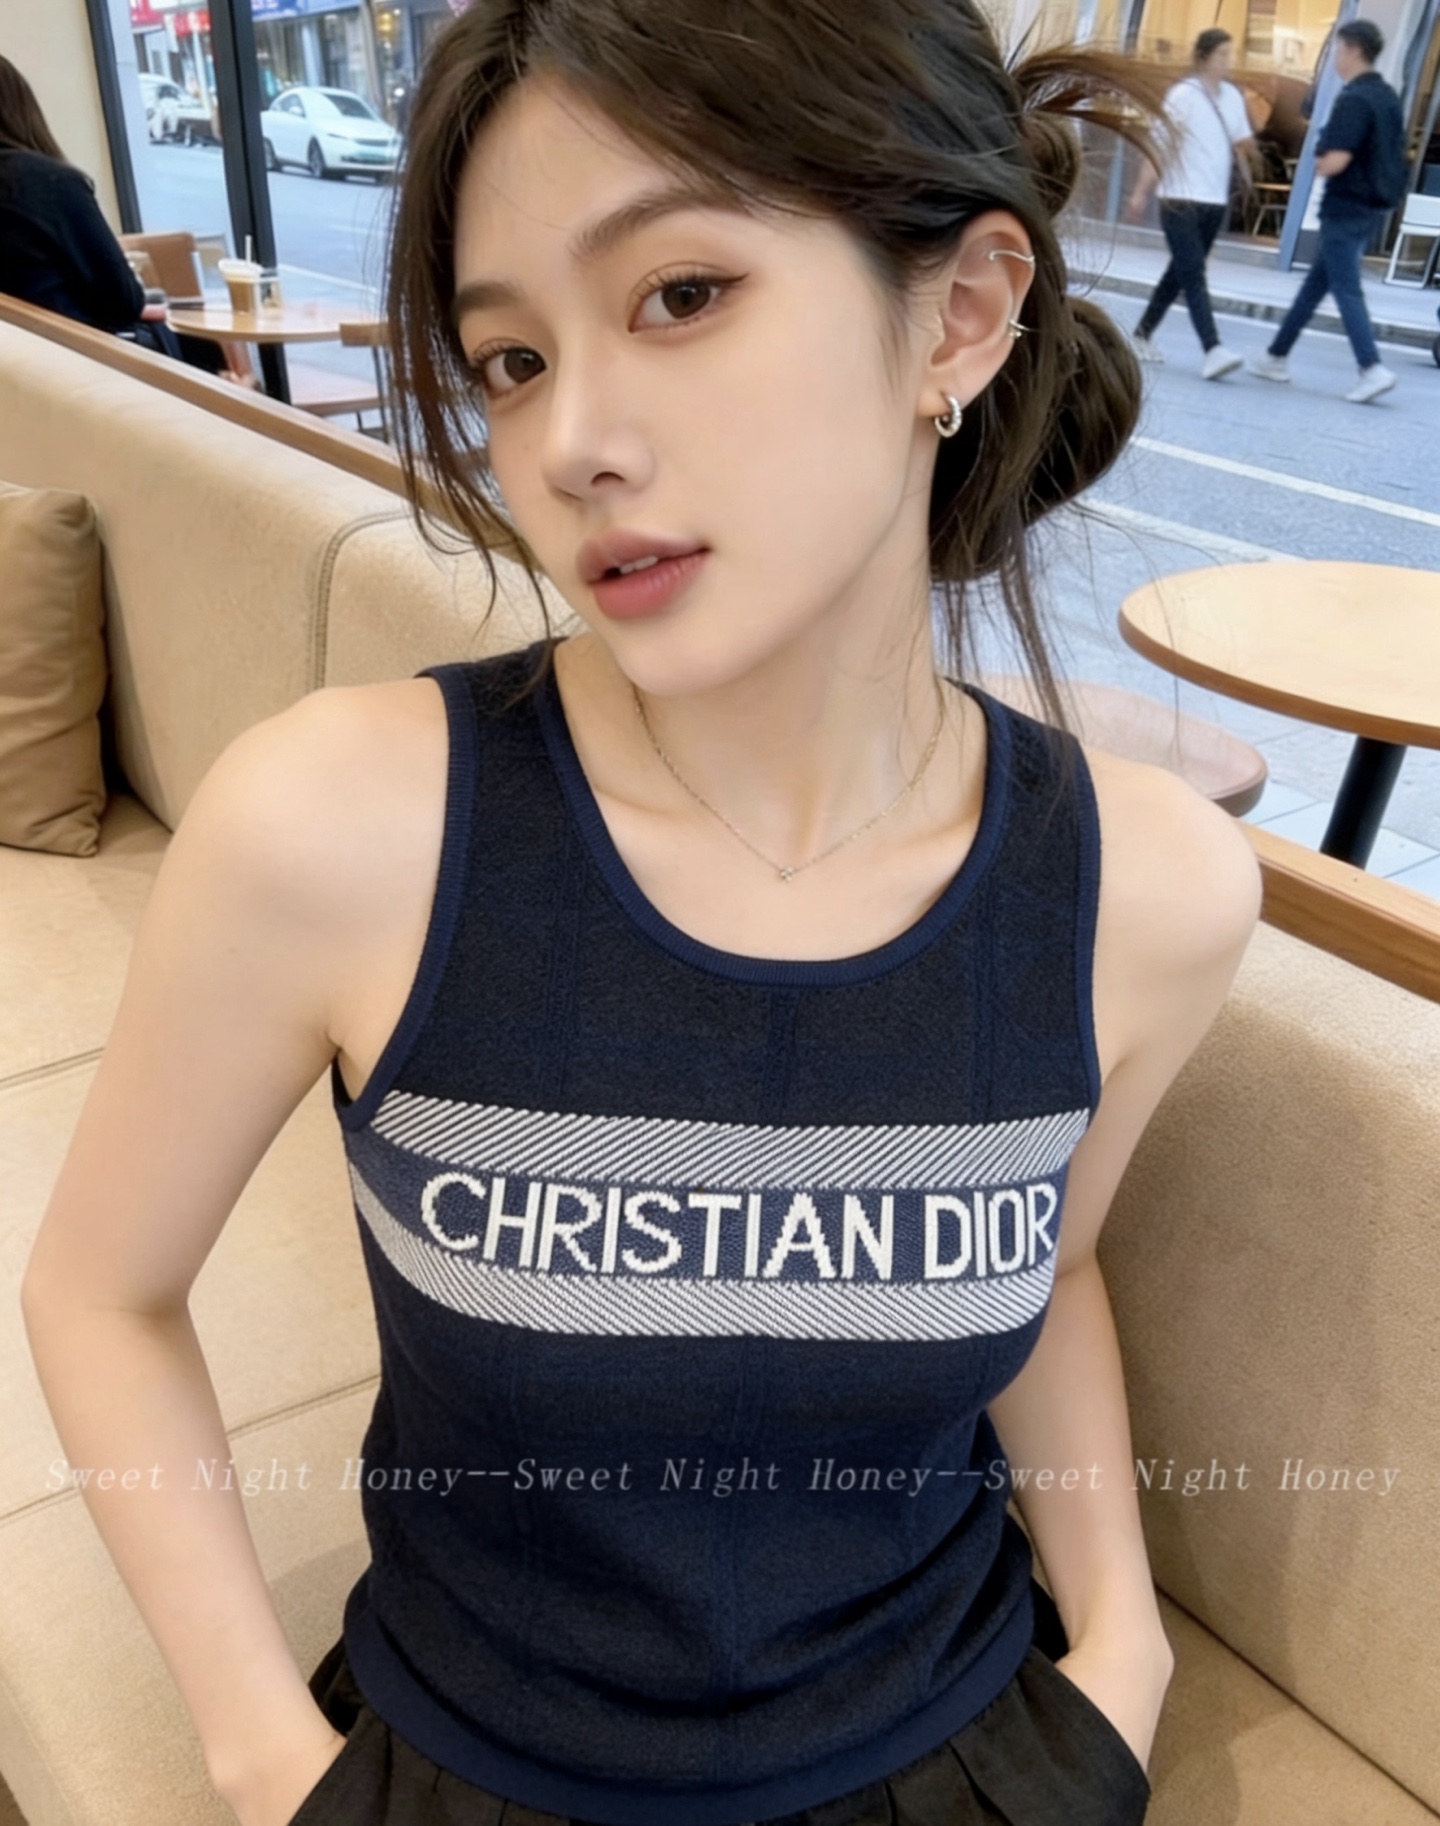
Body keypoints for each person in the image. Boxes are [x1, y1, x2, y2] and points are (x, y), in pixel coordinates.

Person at [22, 5, 1261, 1826]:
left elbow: (1051, 1266)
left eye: (681, 294)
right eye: (511, 359)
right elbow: (96, 1292)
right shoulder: (343, 830)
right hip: (473, 1757)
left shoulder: (1146, 894)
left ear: (963, 316)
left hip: (958, 1747)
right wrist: (266, 1759)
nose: (571, 444)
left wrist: (1123, 1648)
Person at [0, 56, 228, 375]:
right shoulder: (48, 183)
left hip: (23, 367)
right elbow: (124, 302)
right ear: (21, 109)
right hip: (81, 364)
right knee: (205, 347)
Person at [1250, 19, 1405, 403]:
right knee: (1315, 285)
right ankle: (1275, 356)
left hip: (1344, 206)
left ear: (1353, 50)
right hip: (1370, 208)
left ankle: (1371, 367)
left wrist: (1319, 160)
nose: (1336, 57)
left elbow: (1335, 159)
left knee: (1346, 287)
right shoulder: (1387, 97)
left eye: (1339, 49)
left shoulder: (1354, 100)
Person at [1127, 28, 1255, 379]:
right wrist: (1140, 192)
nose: (1227, 61)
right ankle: (1212, 348)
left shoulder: (1232, 96)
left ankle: (1141, 334)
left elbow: (1242, 141)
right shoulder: (1183, 95)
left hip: (1213, 200)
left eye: (1230, 54)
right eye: (1221, 54)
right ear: (1204, 57)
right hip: (1179, 196)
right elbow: (1159, 147)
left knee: (1180, 272)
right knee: (1194, 272)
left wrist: (1246, 168)